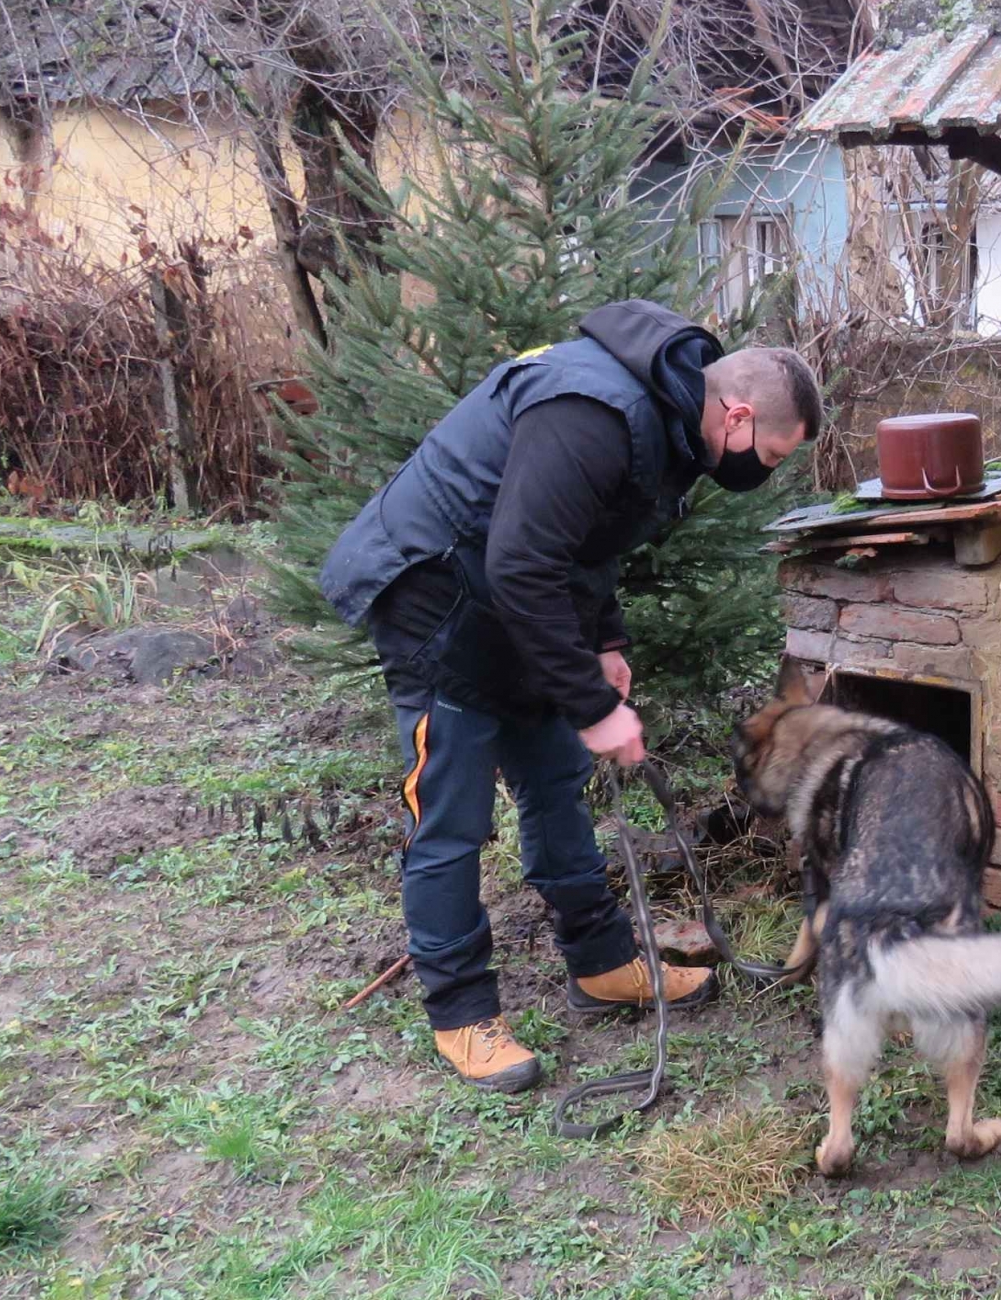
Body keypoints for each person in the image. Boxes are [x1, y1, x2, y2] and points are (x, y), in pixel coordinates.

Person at [320, 299, 819, 1092]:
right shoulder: (591, 410)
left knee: (555, 782)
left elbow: (586, 540)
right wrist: (594, 707)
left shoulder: (661, 421)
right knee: (452, 816)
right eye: (770, 453)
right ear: (737, 413)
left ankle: (601, 966)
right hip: (433, 596)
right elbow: (524, 561)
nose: (762, 471)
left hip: (503, 597)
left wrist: (605, 644)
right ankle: (460, 1015)